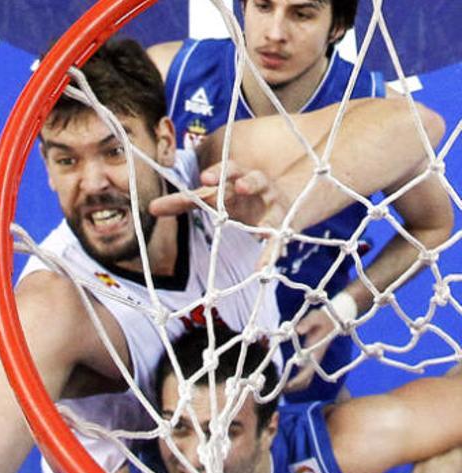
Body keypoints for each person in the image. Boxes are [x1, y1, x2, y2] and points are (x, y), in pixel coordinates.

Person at [0, 38, 446, 473]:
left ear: (164, 139)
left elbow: (413, 124)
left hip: (249, 452)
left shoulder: (217, 169)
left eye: (113, 149)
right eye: (65, 159)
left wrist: (290, 202)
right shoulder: (57, 306)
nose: (93, 183)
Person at [148, 0, 453, 402]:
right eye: (263, 6)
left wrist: (343, 309)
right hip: (175, 342)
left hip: (297, 345)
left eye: (301, 14)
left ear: (337, 28)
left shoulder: (380, 110)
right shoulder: (173, 73)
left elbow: (432, 226)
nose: (275, 32)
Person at [115, 322, 462, 473]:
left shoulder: (338, 449)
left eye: (221, 431)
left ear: (269, 430)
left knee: (441, 467)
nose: (193, 456)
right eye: (178, 427)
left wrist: (443, 468)